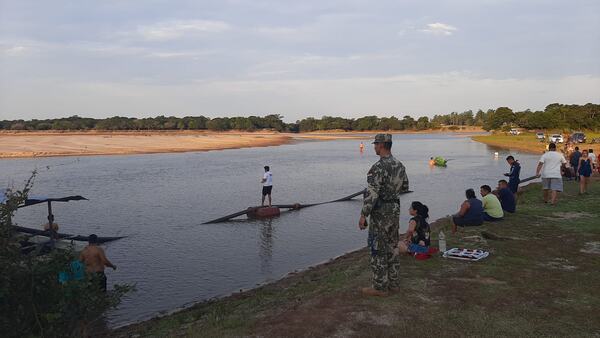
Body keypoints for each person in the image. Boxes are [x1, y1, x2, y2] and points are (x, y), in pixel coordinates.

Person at [358, 134, 409, 296]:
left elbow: (372, 194)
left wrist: (363, 215)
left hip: (381, 213)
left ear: (381, 145)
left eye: (375, 144)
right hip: (394, 210)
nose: (374, 147)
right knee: (392, 246)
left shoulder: (378, 167)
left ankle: (380, 288)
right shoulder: (399, 165)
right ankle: (393, 284)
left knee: (378, 248)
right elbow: (405, 187)